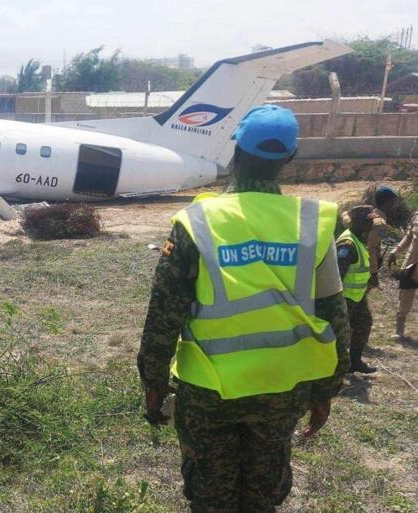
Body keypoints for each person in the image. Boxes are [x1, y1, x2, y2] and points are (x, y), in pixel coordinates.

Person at [137, 105, 350, 513]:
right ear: (290, 157)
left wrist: (154, 383)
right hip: (281, 389)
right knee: (262, 495)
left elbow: (163, 316)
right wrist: (326, 391)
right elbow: (335, 316)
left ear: (236, 149)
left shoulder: (197, 222)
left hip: (208, 391)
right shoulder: (313, 222)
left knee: (211, 496)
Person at [336, 206, 377, 373]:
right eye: (369, 220)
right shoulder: (348, 244)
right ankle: (337, 369)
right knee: (340, 335)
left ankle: (354, 362)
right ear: (358, 222)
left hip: (357, 297)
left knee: (363, 324)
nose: (372, 223)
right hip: (345, 298)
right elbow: (338, 274)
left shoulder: (357, 239)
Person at [388, 209, 418, 341]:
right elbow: (409, 237)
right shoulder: (416, 217)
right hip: (412, 265)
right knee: (405, 297)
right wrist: (395, 250)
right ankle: (399, 330)